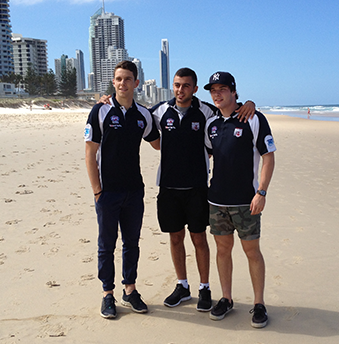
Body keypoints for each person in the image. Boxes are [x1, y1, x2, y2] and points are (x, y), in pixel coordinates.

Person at [100, 68, 255, 312]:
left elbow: (230, 109)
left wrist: (249, 103)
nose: (180, 90)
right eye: (176, 85)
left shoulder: (206, 111)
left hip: (197, 188)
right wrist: (106, 100)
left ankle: (204, 287)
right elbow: (133, 113)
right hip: (169, 188)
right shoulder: (160, 111)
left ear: (194, 89)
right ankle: (182, 286)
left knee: (199, 238)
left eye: (185, 86)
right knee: (175, 238)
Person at [84, 60, 160, 319]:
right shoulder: (101, 111)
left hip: (134, 191)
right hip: (108, 192)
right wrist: (97, 190)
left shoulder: (143, 115)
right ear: (113, 82)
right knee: (106, 245)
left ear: (136, 83)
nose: (123, 83)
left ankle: (130, 290)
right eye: (118, 79)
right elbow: (90, 152)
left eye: (128, 79)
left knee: (132, 244)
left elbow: (158, 142)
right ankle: (108, 294)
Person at [204, 71, 276, 328]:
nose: (217, 94)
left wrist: (262, 192)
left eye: (222, 89)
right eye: (213, 90)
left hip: (247, 201)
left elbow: (268, 156)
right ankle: (226, 298)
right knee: (223, 251)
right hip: (217, 201)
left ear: (234, 91)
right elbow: (209, 156)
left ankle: (259, 304)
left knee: (252, 252)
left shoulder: (253, 119)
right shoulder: (210, 124)